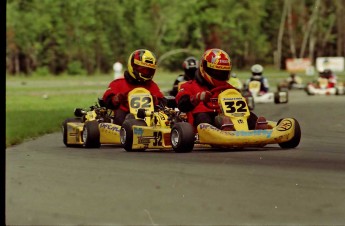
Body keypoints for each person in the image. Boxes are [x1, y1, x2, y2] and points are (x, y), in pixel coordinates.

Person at [175, 48, 260, 130]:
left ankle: (258, 127)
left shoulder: (229, 88)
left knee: (250, 116)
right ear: (204, 68)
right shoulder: (189, 86)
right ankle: (224, 127)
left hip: (229, 118)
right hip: (201, 123)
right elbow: (182, 104)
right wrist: (197, 98)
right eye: (216, 72)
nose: (219, 75)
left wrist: (244, 100)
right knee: (203, 117)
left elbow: (241, 107)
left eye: (223, 73)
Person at [103, 49, 165, 125]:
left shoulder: (152, 85)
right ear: (133, 66)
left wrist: (155, 100)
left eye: (149, 71)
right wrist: (116, 99)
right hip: (124, 117)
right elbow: (106, 100)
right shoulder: (118, 83)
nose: (146, 73)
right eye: (143, 70)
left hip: (149, 117)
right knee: (121, 114)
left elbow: (162, 102)